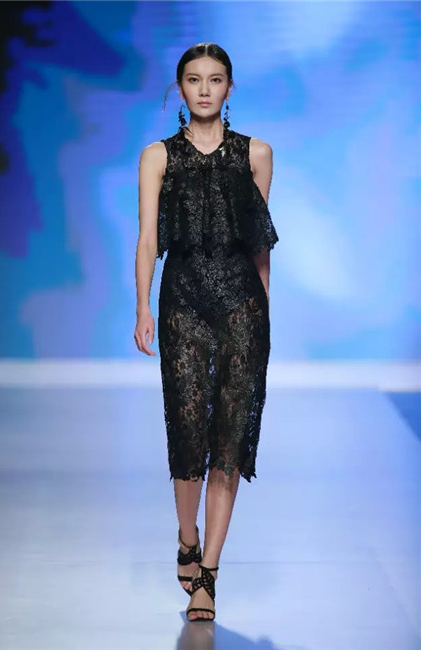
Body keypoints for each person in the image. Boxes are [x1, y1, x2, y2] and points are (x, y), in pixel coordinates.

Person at [134, 42, 279, 622]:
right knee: (189, 430)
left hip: (242, 305)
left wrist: (265, 313)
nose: (203, 89)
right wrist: (141, 308)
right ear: (180, 88)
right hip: (183, 303)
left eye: (214, 79)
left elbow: (259, 243)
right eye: (193, 79)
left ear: (229, 88)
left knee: (230, 438)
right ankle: (187, 535)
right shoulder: (157, 157)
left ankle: (208, 576)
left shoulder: (256, 155)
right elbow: (149, 238)